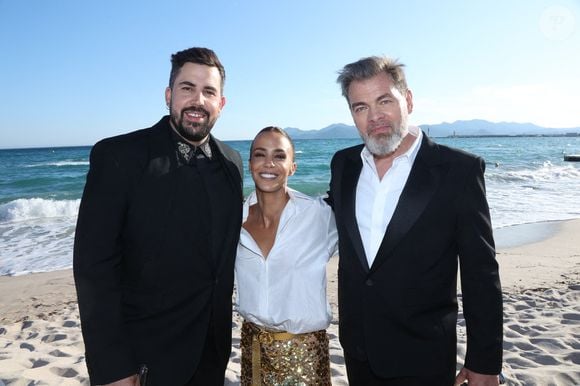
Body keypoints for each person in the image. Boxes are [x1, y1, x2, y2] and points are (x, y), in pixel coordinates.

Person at [326, 56, 503, 386]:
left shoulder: (458, 171)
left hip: (422, 354)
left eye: (384, 101)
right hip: (358, 350)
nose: (375, 117)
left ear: (407, 99)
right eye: (360, 107)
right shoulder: (343, 165)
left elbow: (481, 271)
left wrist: (484, 361)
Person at [73, 47, 243, 385]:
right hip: (145, 358)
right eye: (187, 88)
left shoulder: (232, 164)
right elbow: (94, 268)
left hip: (212, 354)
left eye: (209, 91)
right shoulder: (120, 156)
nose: (198, 100)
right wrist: (113, 368)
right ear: (169, 95)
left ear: (221, 104)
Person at [235, 127, 338, 385]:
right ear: (250, 165)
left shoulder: (319, 215)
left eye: (280, 156)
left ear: (292, 166)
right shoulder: (234, 220)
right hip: (252, 353)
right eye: (260, 154)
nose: (269, 163)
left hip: (305, 358)